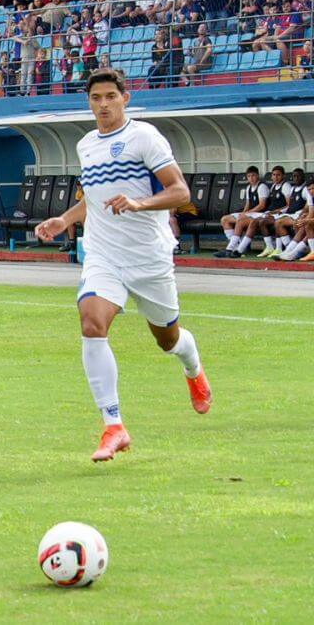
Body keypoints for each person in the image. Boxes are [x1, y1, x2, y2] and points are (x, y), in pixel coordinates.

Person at [34, 69, 211, 463]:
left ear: (124, 99)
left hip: (148, 257)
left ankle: (192, 365)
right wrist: (65, 219)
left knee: (168, 340)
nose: (103, 105)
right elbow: (94, 199)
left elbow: (180, 191)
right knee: (91, 323)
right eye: (96, 98)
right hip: (104, 255)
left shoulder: (145, 137)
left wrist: (139, 203)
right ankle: (113, 425)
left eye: (110, 96)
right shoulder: (86, 145)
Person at [215, 166, 276, 257]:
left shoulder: (262, 187)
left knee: (241, 220)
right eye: (249, 176)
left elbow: (262, 205)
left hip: (261, 214)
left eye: (253, 175)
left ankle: (230, 248)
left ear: (257, 176)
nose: (251, 178)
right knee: (224, 219)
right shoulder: (248, 187)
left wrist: (247, 213)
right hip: (251, 213)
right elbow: (248, 204)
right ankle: (235, 246)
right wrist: (243, 212)